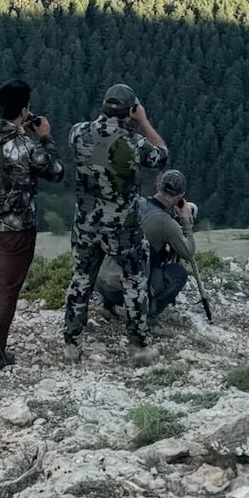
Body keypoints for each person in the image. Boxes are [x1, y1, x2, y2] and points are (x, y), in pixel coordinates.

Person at [64, 83, 168, 348]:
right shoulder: (133, 143)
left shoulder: (78, 132)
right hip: (123, 227)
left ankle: (72, 341)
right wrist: (143, 121)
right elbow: (162, 156)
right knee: (134, 280)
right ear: (130, 110)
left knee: (81, 280)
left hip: (86, 223)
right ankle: (137, 343)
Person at [0, 79, 63, 372]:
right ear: (24, 110)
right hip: (16, 226)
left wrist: (20, 128)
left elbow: (4, 152)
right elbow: (55, 171)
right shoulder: (25, 144)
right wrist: (46, 137)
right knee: (8, 289)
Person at [99, 168, 197, 323]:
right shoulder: (165, 222)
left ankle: (107, 307)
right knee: (179, 273)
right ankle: (150, 317)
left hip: (102, 281)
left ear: (158, 186)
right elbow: (188, 253)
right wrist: (185, 220)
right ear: (180, 197)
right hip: (124, 291)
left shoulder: (136, 202)